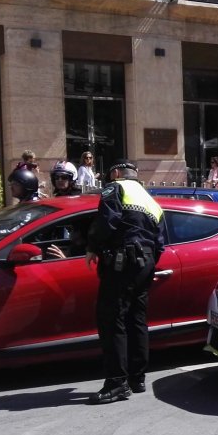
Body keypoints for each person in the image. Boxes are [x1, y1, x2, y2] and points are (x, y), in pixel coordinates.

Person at [85, 160, 165, 404]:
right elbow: (160, 242)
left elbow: (107, 220)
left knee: (112, 319)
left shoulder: (115, 188)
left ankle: (117, 383)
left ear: (117, 173)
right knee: (137, 319)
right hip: (146, 262)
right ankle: (137, 378)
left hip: (123, 261)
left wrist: (92, 247)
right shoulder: (151, 201)